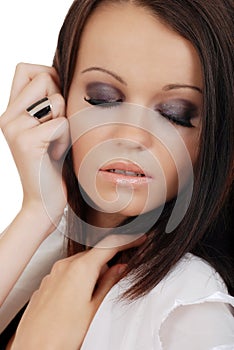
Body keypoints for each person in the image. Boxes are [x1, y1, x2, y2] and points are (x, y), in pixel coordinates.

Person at [0, 0, 233, 348]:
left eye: (175, 114)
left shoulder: (190, 305)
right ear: (60, 96)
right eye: (103, 98)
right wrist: (36, 210)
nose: (131, 135)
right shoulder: (43, 249)